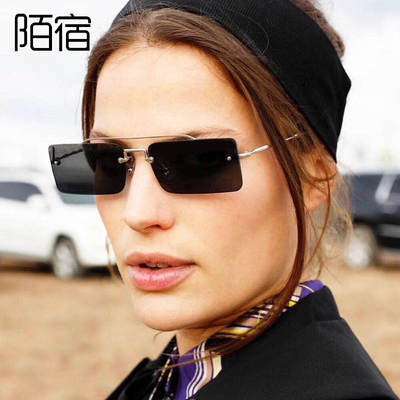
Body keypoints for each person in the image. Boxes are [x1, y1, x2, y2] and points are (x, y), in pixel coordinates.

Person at [47, 0, 399, 399]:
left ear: (312, 176)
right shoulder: (171, 378)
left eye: (200, 161)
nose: (138, 212)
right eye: (107, 161)